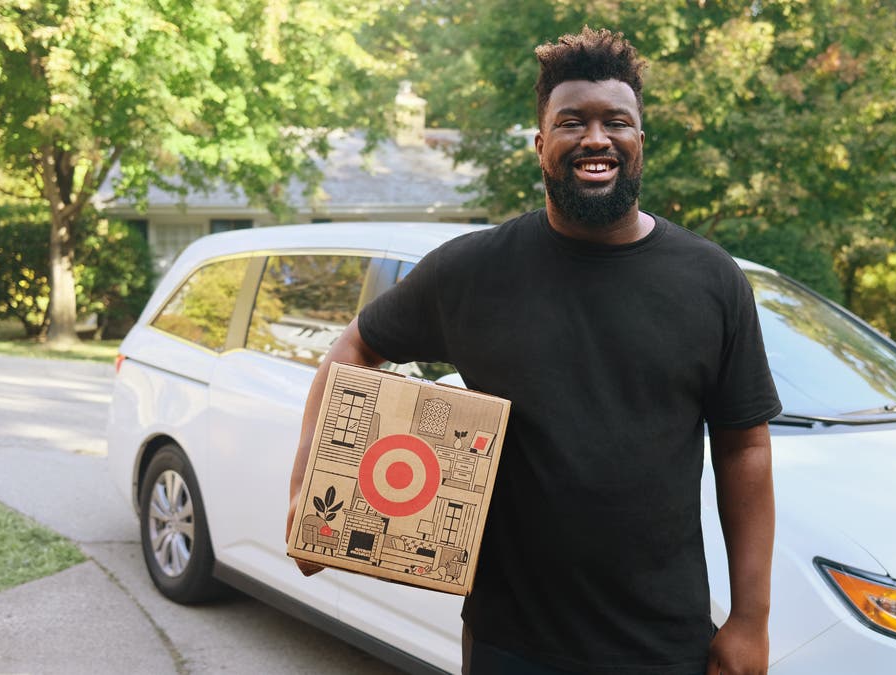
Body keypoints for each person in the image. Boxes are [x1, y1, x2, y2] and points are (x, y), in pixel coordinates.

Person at [287, 27, 780, 675]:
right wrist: (310, 496)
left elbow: (743, 446)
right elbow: (356, 345)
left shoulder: (711, 280)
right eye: (571, 121)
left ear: (639, 141)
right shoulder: (471, 271)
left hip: (662, 644)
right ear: (540, 143)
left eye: (616, 122)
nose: (595, 137)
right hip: (507, 641)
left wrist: (750, 619)